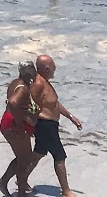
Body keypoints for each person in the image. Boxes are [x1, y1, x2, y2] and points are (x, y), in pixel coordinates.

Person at [29, 55, 82, 197]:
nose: (55, 69)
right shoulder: (39, 83)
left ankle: (17, 179)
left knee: (38, 154)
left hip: (50, 125)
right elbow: (28, 102)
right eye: (53, 66)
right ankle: (66, 191)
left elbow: (54, 104)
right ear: (47, 68)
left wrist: (71, 117)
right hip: (44, 125)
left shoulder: (45, 82)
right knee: (59, 156)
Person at [0, 61, 38, 196]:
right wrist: (20, 126)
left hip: (9, 121)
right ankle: (19, 192)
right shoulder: (22, 88)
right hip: (13, 124)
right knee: (25, 159)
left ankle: (5, 182)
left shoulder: (16, 82)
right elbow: (13, 103)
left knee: (23, 157)